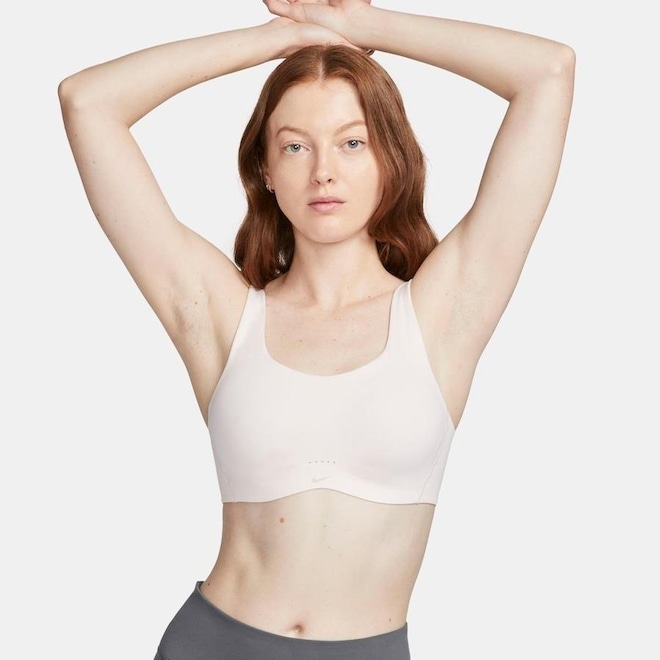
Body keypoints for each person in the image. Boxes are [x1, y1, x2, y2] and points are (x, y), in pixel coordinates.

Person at [58, 1, 575, 658]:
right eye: (295, 145)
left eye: (351, 142)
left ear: (389, 159)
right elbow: (87, 102)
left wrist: (363, 28)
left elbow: (548, 73)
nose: (322, 170)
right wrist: (281, 40)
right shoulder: (221, 316)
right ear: (266, 171)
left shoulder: (444, 314)